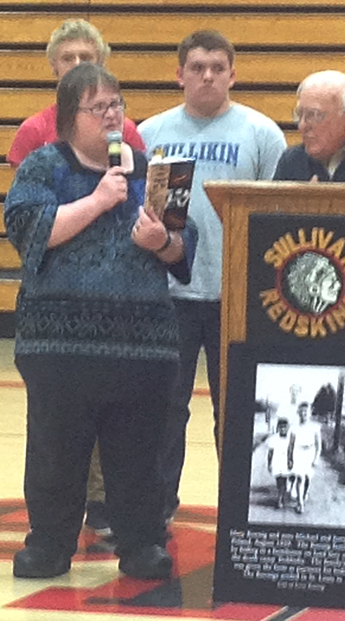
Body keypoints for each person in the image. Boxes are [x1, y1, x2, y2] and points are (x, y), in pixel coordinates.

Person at [4, 63, 197, 580]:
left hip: (144, 347)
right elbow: (30, 232)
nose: (113, 115)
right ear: (71, 117)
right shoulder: (44, 166)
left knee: (138, 455)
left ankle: (140, 545)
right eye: (100, 107)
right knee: (55, 452)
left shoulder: (154, 170)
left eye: (117, 104)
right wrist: (97, 200)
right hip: (59, 347)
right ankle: (48, 545)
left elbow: (183, 247)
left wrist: (161, 242)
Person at [138, 30, 287, 521]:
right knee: (164, 411)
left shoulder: (262, 134)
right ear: (179, 73)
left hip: (238, 295)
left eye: (217, 68)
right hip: (168, 294)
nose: (207, 76)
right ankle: (155, 509)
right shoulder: (152, 133)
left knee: (240, 413)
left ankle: (243, 511)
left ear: (232, 74)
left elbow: (276, 219)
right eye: (197, 67)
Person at [7, 18, 146, 535]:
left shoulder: (127, 132)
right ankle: (57, 520)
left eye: (89, 56)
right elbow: (30, 217)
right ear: (53, 67)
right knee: (58, 420)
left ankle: (108, 506)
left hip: (119, 295)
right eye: (69, 58)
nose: (80, 64)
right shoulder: (35, 135)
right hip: (56, 289)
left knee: (117, 414)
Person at [7, 18, 145, 168]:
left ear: (100, 63)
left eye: (85, 58)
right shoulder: (34, 130)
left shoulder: (125, 129)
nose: (77, 65)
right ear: (54, 66)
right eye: (67, 58)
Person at [288, 402, 321, 514]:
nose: (303, 414)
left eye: (305, 412)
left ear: (310, 413)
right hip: (298, 452)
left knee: (307, 478)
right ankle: (300, 503)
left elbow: (318, 445)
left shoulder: (315, 427)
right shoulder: (294, 428)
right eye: (301, 411)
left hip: (310, 453)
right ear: (298, 413)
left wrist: (316, 458)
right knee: (300, 477)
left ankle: (304, 493)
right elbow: (291, 445)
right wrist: (290, 459)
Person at [267, 417, 291, 509]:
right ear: (278, 428)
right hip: (277, 462)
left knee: (284, 481)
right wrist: (269, 464)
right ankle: (281, 496)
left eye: (285, 427)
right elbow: (270, 453)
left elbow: (293, 451)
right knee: (279, 482)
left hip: (286, 463)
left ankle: (280, 499)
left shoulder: (290, 438)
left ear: (287, 428)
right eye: (281, 427)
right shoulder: (274, 438)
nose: (283, 429)